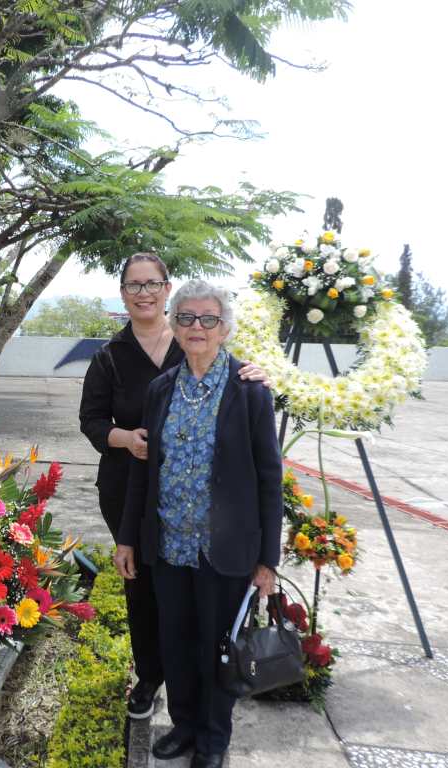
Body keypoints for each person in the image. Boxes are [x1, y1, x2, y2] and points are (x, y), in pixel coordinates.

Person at [79, 253, 269, 720]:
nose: (143, 293)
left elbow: (243, 417)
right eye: (133, 285)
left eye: (152, 284)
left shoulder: (196, 342)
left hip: (203, 502)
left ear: (167, 289)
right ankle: (151, 677)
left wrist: (259, 374)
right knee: (146, 592)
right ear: (123, 293)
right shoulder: (110, 356)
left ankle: (206, 702)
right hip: (132, 487)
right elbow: (90, 420)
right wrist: (125, 438)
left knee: (202, 604)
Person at [113, 279, 282, 768]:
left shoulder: (249, 391)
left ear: (224, 328)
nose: (196, 327)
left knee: (218, 649)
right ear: (175, 323)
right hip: (168, 545)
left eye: (208, 319)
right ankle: (184, 726)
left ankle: (213, 739)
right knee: (177, 643)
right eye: (186, 317)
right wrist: (128, 537)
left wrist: (268, 559)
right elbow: (143, 470)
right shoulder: (161, 390)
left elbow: (269, 478)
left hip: (224, 549)